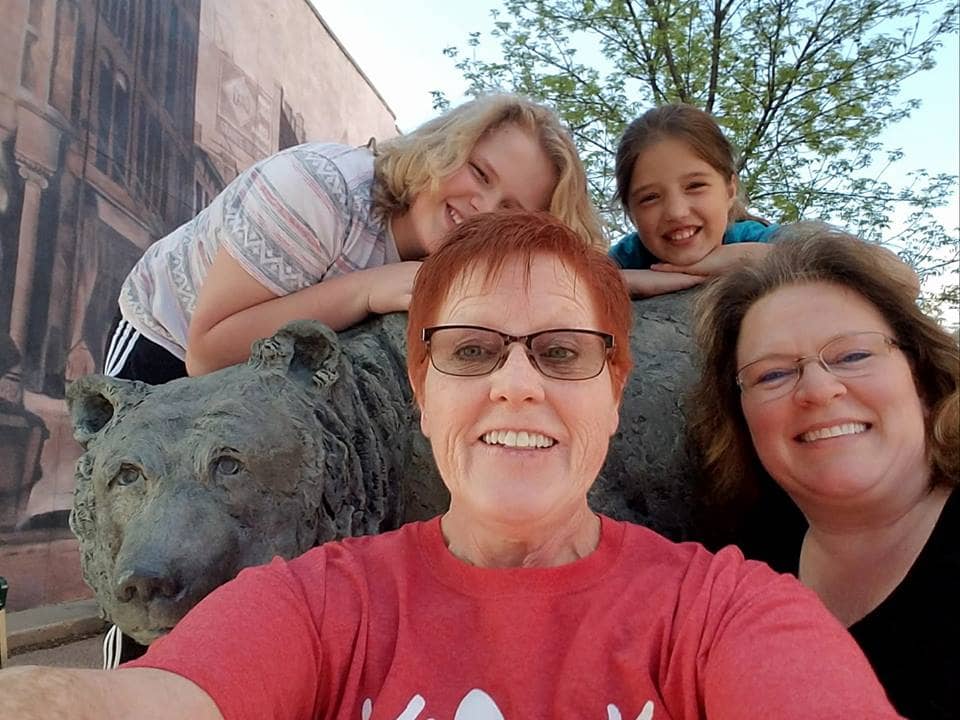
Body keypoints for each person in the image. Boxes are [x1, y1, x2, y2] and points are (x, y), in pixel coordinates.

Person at [0, 212, 903, 719]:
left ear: (615, 388)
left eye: (559, 351)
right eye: (473, 352)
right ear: (420, 391)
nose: (516, 385)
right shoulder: (318, 604)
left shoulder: (731, 610)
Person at [104, 93, 603, 383]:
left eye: (511, 211)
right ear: (442, 148)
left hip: (270, 374)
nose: (483, 208)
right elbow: (209, 353)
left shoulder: (465, 263)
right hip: (166, 340)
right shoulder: (318, 188)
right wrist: (368, 290)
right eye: (478, 172)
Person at [690, 226, 958, 720]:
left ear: (921, 377)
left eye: (852, 355)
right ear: (742, 419)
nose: (817, 389)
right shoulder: (744, 564)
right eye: (772, 374)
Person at [608, 103, 779, 297]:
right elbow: (573, 282)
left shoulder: (749, 237)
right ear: (631, 212)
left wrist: (748, 256)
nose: (676, 211)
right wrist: (624, 280)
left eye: (695, 186)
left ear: (730, 190)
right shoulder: (628, 257)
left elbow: (815, 251)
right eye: (650, 198)